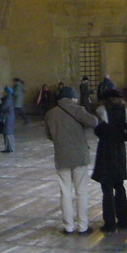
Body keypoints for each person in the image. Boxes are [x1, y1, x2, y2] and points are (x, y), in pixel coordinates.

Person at [44, 86, 99, 235]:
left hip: (61, 155)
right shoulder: (77, 109)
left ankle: (68, 226)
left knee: (65, 192)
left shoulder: (51, 113)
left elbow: (49, 135)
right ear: (73, 98)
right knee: (81, 191)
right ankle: (82, 226)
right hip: (79, 156)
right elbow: (94, 122)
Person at [92, 88, 127, 232]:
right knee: (120, 186)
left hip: (105, 151)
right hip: (119, 151)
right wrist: (120, 137)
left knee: (107, 188)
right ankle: (123, 221)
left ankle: (109, 223)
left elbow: (98, 131)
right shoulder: (126, 111)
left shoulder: (102, 110)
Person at [0, 85, 16, 153]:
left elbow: (2, 108)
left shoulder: (7, 100)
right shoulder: (8, 98)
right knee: (8, 134)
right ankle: (8, 148)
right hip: (8, 118)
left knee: (8, 134)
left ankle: (9, 149)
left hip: (7, 119)